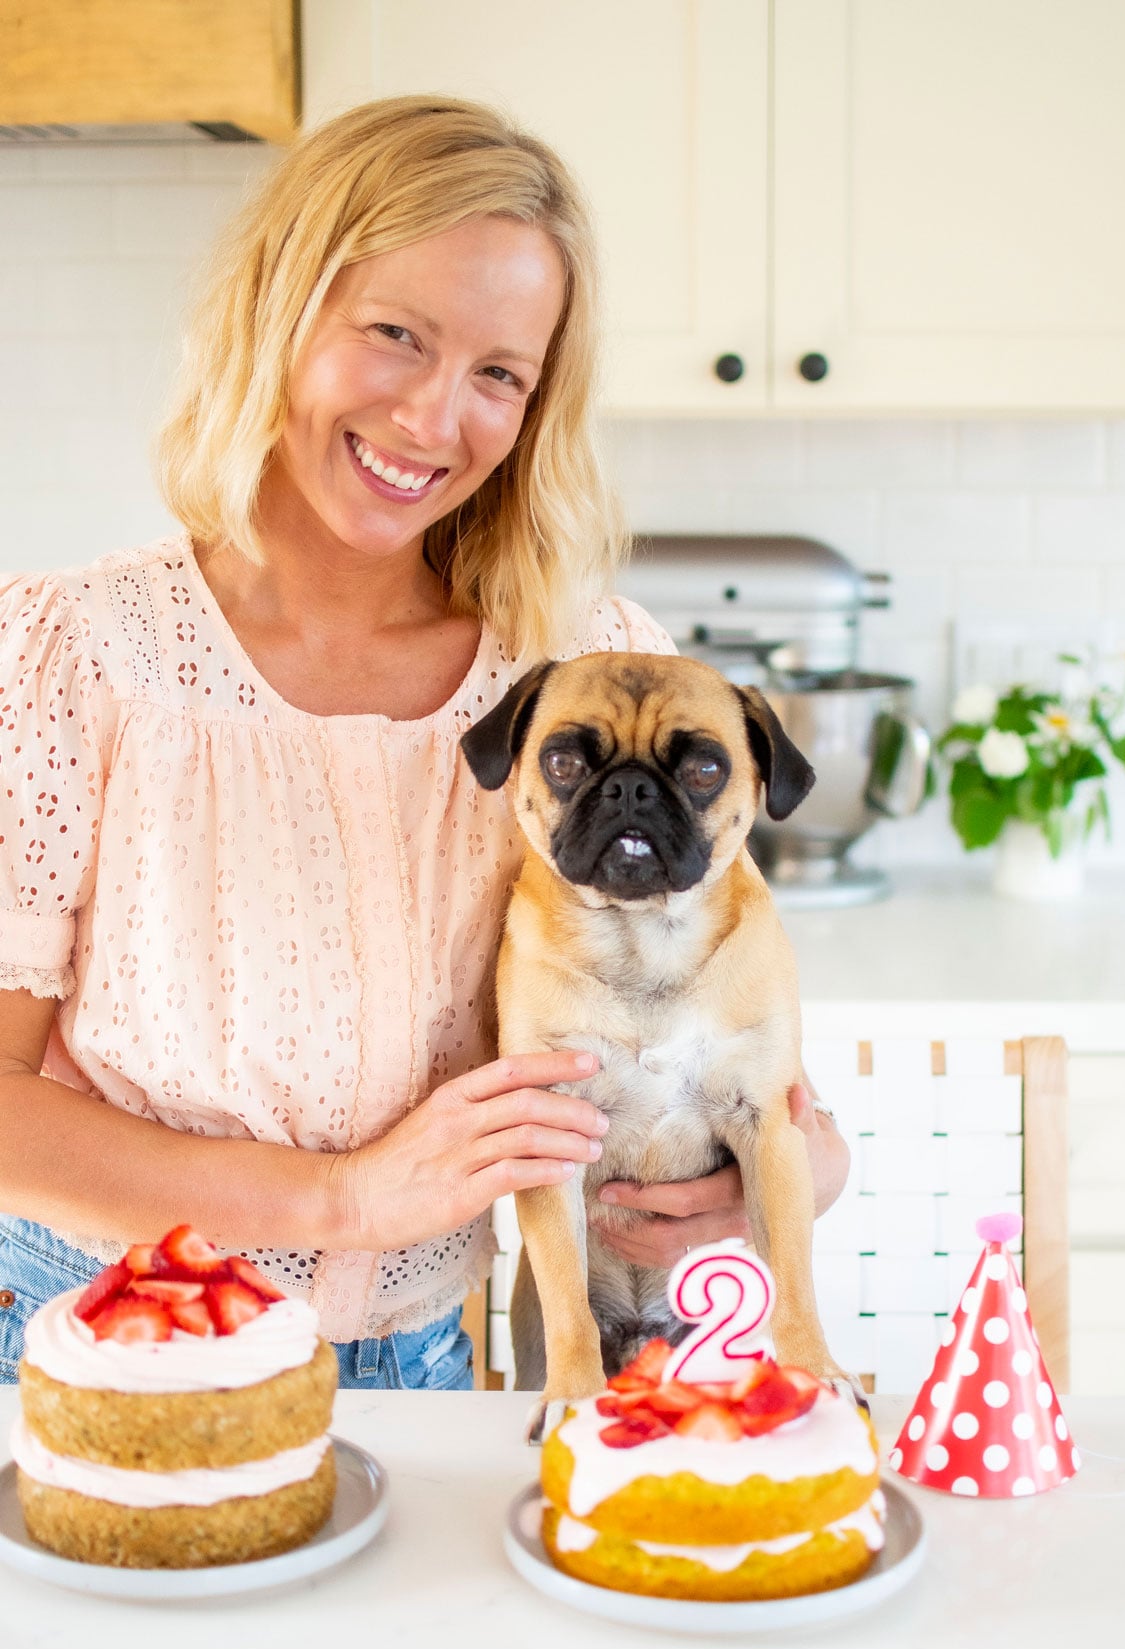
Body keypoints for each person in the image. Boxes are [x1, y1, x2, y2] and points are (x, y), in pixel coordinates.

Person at [0, 96, 849, 1390]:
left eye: (500, 375)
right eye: (398, 334)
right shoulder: (75, 654)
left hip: (426, 1366)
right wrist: (345, 1201)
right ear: (284, 309)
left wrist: (798, 1163)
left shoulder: (584, 664)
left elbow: (717, 1004)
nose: (433, 419)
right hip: (106, 1346)